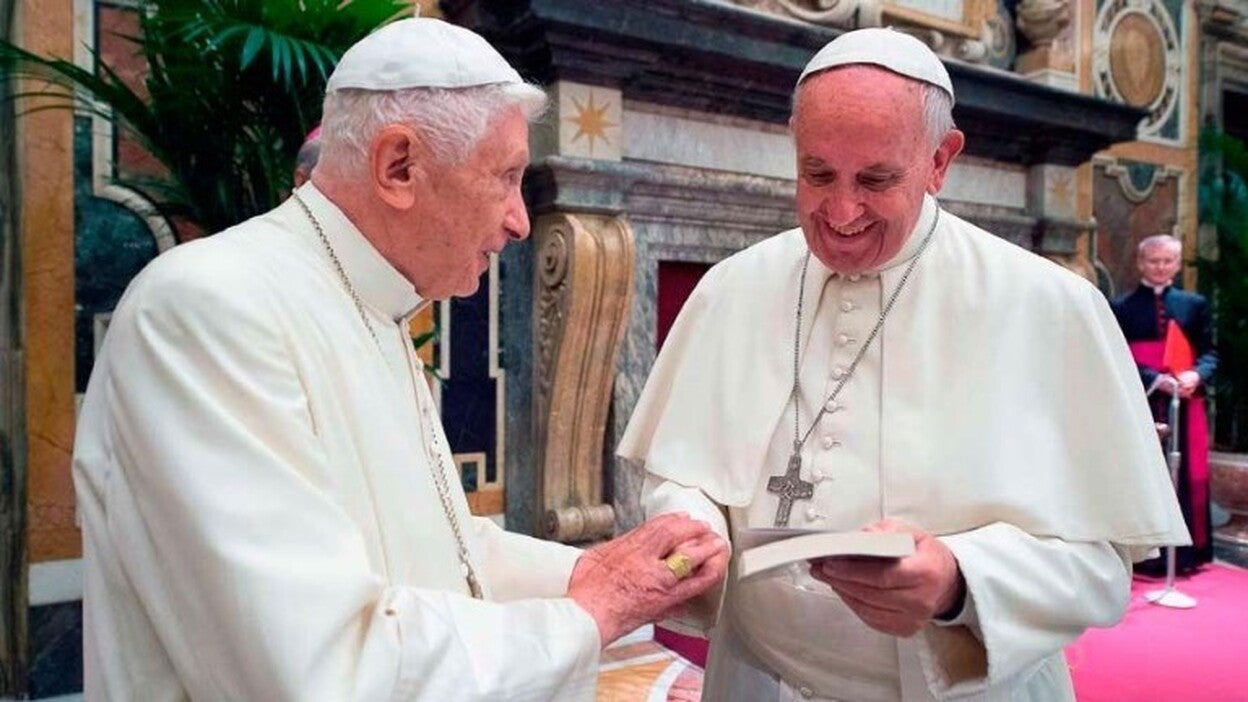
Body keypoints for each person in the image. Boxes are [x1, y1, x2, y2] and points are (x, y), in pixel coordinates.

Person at [72, 18, 727, 701]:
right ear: (399, 167)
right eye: (505, 178)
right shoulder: (208, 310)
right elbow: (318, 668)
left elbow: (445, 551)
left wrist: (594, 572)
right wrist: (598, 607)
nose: (519, 220)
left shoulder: (374, 305)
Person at [618, 28, 1188, 701]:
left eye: (877, 179)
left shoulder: (1049, 305)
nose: (840, 210)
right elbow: (685, 475)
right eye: (817, 173)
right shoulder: (733, 288)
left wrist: (956, 582)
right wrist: (696, 528)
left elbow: (1102, 571)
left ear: (941, 161)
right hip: (759, 683)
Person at [1111, 234, 1217, 574]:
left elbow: (1211, 353)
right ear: (1141, 263)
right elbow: (1117, 354)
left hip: (1186, 401)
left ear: (1177, 263)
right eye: (1153, 261)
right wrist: (1155, 379)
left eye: (1167, 261)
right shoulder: (1121, 306)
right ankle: (1147, 556)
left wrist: (1195, 376)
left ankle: (1186, 556)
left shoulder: (1194, 304)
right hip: (1143, 399)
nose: (1160, 267)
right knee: (1145, 472)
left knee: (1185, 475)